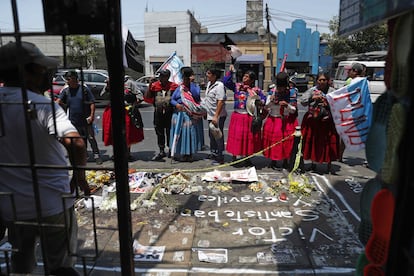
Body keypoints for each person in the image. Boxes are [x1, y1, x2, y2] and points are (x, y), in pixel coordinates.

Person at [0, 41, 89, 275]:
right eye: (39, 68)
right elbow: (76, 142)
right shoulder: (42, 105)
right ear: (27, 71)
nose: (44, 73)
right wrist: (80, 176)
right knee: (60, 266)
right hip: (53, 202)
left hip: (12, 205)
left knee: (22, 263)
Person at [222, 64, 266, 167]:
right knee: (236, 137)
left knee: (247, 138)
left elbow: (264, 100)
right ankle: (234, 156)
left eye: (247, 77)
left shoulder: (256, 90)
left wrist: (259, 102)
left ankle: (247, 157)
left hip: (248, 116)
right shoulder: (237, 87)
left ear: (251, 80)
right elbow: (226, 82)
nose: (244, 78)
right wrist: (231, 72)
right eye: (244, 76)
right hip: (237, 115)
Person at [56, 71, 103, 165]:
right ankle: (84, 156)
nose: (68, 82)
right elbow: (58, 101)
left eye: (69, 79)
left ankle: (96, 155)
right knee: (79, 139)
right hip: (73, 120)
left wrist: (91, 116)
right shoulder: (66, 91)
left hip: (86, 119)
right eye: (67, 80)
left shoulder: (84, 89)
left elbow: (92, 103)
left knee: (90, 137)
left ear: (75, 79)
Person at [300, 72, 340, 173]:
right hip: (314, 120)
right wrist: (312, 98)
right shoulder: (312, 90)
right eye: (320, 80)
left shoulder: (332, 92)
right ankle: (313, 163)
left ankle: (329, 164)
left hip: (328, 120)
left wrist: (327, 102)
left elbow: (338, 104)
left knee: (329, 141)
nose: (322, 82)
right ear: (317, 81)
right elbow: (302, 101)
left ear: (328, 81)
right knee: (314, 141)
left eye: (324, 80)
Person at [101, 76, 144, 161]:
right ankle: (116, 153)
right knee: (113, 132)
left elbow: (140, 96)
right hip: (112, 110)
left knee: (127, 132)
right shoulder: (109, 83)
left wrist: (133, 105)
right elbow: (102, 96)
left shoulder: (129, 83)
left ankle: (127, 154)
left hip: (126, 111)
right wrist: (108, 87)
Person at [263, 72, 299, 170]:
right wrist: (271, 100)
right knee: (273, 142)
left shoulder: (292, 92)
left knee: (286, 142)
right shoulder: (272, 91)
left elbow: (294, 110)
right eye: (279, 87)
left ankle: (285, 161)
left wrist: (287, 105)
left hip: (286, 120)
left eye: (283, 87)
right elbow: (266, 107)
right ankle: (273, 160)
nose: (281, 89)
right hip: (273, 119)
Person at [169, 66, 205, 162]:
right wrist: (176, 104)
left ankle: (189, 154)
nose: (184, 80)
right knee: (179, 134)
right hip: (179, 113)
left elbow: (196, 96)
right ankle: (180, 152)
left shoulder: (194, 87)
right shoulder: (179, 88)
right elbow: (172, 99)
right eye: (183, 78)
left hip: (190, 114)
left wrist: (191, 83)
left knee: (189, 133)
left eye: (186, 78)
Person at [144, 69, 178, 161]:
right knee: (159, 132)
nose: (161, 78)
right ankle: (161, 150)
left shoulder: (173, 86)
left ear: (167, 77)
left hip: (169, 112)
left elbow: (178, 98)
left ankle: (171, 149)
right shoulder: (155, 86)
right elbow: (147, 97)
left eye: (163, 76)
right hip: (158, 112)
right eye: (160, 76)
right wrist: (150, 85)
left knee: (170, 132)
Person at [204, 67, 227, 165]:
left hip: (217, 116)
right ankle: (213, 153)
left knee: (218, 136)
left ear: (214, 75)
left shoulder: (219, 86)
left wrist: (216, 116)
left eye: (209, 73)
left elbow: (220, 101)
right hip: (210, 115)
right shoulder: (209, 84)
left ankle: (220, 157)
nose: (207, 75)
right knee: (211, 135)